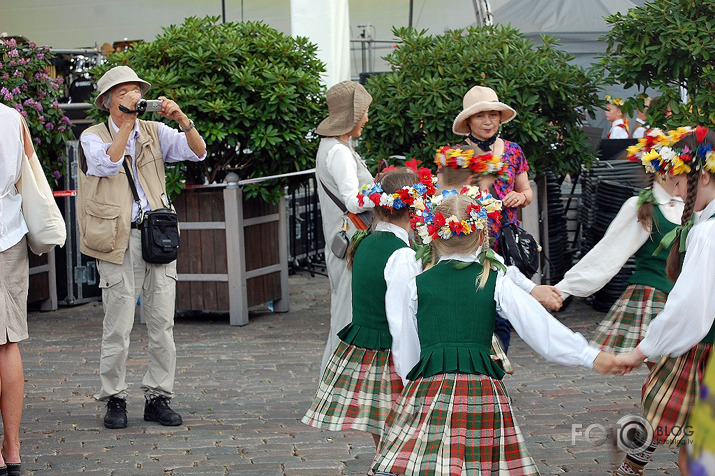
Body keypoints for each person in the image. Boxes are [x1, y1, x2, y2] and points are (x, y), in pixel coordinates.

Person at [370, 193, 625, 476]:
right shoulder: (495, 280)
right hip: (481, 391)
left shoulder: (417, 285)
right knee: (481, 465)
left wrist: (411, 386)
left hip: (430, 389)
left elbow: (406, 345)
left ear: (432, 236)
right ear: (482, 238)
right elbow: (538, 326)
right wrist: (588, 356)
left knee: (431, 463)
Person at [78, 66, 206, 429]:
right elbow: (107, 162)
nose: (134, 94)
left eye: (137, 89)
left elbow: (198, 152)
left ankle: (158, 396)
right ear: (107, 101)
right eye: (125, 91)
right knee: (117, 323)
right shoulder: (91, 136)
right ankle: (114, 398)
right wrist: (128, 124)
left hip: (158, 236)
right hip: (116, 239)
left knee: (162, 323)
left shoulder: (154, 131)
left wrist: (182, 119)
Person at [302, 168, 430, 449]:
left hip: (366, 349)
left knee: (383, 426)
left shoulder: (365, 242)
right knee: (402, 429)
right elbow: (404, 316)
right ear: (414, 208)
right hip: (391, 351)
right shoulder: (402, 254)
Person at [616, 126, 715, 474]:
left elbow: (689, 309)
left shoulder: (707, 232)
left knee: (699, 455)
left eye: (679, 181)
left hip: (707, 352)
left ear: (702, 177)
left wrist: (642, 349)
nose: (675, 189)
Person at [556, 161, 684, 358]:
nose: (682, 176)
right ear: (658, 171)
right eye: (676, 170)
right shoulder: (642, 206)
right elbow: (608, 253)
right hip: (655, 295)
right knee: (665, 366)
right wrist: (563, 289)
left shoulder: (696, 206)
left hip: (687, 297)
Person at [451, 86, 534, 352]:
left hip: (506, 243)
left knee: (502, 312)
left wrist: (519, 199)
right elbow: (447, 203)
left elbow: (527, 191)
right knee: (474, 310)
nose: (488, 121)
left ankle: (496, 375)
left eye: (493, 115)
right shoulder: (456, 155)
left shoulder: (513, 150)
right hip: (469, 242)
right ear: (468, 122)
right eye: (480, 116)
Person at [314, 81, 374, 372]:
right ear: (352, 115)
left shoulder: (334, 146)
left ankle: (335, 382)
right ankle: (334, 382)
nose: (366, 118)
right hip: (352, 242)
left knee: (345, 309)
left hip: (346, 240)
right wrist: (391, 196)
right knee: (346, 313)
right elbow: (353, 201)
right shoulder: (337, 151)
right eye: (363, 112)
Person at [0, 103, 30, 476]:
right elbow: (29, 172)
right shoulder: (12, 118)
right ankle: (13, 447)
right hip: (9, 235)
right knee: (8, 341)